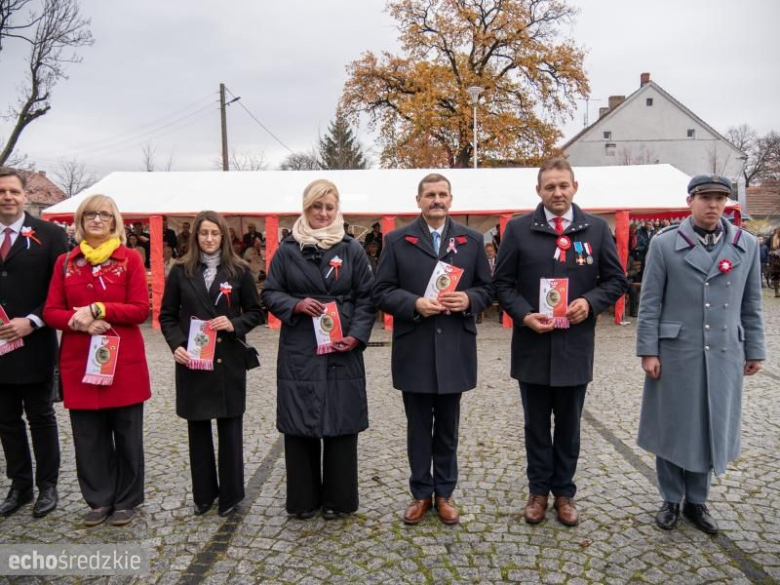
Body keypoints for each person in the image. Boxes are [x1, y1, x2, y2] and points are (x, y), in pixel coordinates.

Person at [493, 157, 627, 527]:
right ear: (538, 190)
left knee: (569, 426)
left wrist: (590, 302)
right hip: (532, 346)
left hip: (574, 346)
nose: (557, 192)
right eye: (549, 186)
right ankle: (538, 491)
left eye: (563, 185)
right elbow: (501, 284)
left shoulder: (596, 229)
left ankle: (564, 493)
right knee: (536, 427)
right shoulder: (518, 229)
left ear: (574, 187)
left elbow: (616, 280)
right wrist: (523, 314)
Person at [636, 175, 765, 535]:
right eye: (705, 197)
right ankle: (670, 498)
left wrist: (755, 349)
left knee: (711, 424)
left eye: (720, 198)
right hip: (676, 351)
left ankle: (697, 500)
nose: (713, 205)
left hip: (724, 352)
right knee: (672, 425)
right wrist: (648, 350)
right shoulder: (664, 244)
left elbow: (752, 303)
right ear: (690, 201)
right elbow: (650, 303)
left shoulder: (745, 245)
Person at [373, 173, 493, 526]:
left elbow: (488, 288)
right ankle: (420, 493)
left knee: (447, 429)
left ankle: (445, 493)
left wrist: (469, 299)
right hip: (415, 348)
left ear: (450, 199)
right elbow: (381, 291)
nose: (436, 200)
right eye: (430, 195)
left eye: (442, 194)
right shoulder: (397, 240)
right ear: (419, 200)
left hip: (454, 347)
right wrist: (413, 303)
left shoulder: (471, 240)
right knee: (418, 428)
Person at [263, 179, 375, 520]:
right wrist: (295, 305)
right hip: (301, 346)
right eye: (317, 206)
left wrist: (356, 336)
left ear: (336, 209)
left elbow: (367, 298)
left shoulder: (351, 248)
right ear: (306, 207)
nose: (323, 213)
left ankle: (338, 500)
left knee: (341, 420)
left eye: (329, 207)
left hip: (342, 345)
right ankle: (303, 500)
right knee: (300, 420)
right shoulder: (287, 249)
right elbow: (270, 293)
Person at [43, 194, 151, 527]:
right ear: (80, 221)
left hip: (123, 361)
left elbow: (140, 310)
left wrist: (100, 309)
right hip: (80, 360)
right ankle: (99, 498)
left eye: (104, 214)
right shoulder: (65, 263)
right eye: (90, 214)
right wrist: (81, 322)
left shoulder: (130, 259)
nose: (97, 219)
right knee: (88, 436)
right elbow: (51, 311)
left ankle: (127, 500)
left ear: (115, 221)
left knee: (127, 434)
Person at [160, 210, 263, 517]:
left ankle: (231, 495)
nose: (208, 238)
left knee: (230, 430)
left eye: (214, 233)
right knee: (198, 429)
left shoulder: (239, 270)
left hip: (227, 360)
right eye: (203, 233)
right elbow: (167, 315)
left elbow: (256, 312)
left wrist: (234, 324)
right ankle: (203, 494)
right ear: (195, 236)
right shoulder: (181, 270)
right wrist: (177, 345)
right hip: (193, 359)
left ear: (223, 236)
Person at [0, 168, 67, 518]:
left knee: (41, 417)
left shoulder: (50, 235)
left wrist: (33, 320)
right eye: (1, 192)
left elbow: (60, 289)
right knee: (6, 420)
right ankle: (20, 484)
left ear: (25, 195)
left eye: (13, 191)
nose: (7, 197)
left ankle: (48, 485)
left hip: (35, 341)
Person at [768, 227, 780, 297]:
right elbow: (767, 247)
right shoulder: (772, 238)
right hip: (775, 260)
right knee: (776, 276)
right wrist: (773, 252)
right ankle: (776, 292)